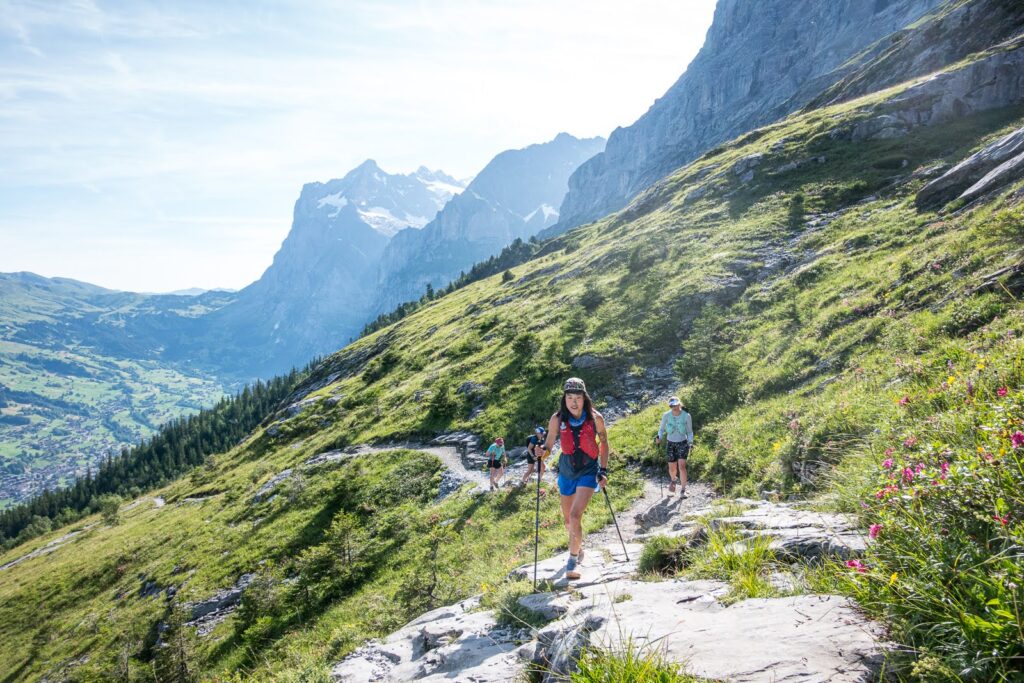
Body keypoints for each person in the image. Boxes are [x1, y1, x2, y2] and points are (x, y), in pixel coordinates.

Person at [539, 377, 609, 580]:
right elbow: (549, 446)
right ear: (565, 398)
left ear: (584, 398)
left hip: (588, 469)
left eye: (577, 397)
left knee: (576, 515)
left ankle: (572, 560)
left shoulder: (596, 418)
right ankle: (579, 545)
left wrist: (603, 470)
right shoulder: (557, 419)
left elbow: (604, 444)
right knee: (568, 520)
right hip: (567, 470)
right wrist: (540, 454)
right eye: (569, 397)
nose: (573, 402)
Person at [655, 396, 693, 495]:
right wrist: (659, 437)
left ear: (679, 404)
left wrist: (690, 442)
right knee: (672, 468)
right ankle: (673, 479)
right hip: (670, 443)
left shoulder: (686, 416)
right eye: (672, 406)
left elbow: (689, 432)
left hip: (683, 443)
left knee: (682, 466)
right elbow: (661, 429)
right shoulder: (666, 415)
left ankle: (683, 490)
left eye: (675, 405)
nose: (674, 407)